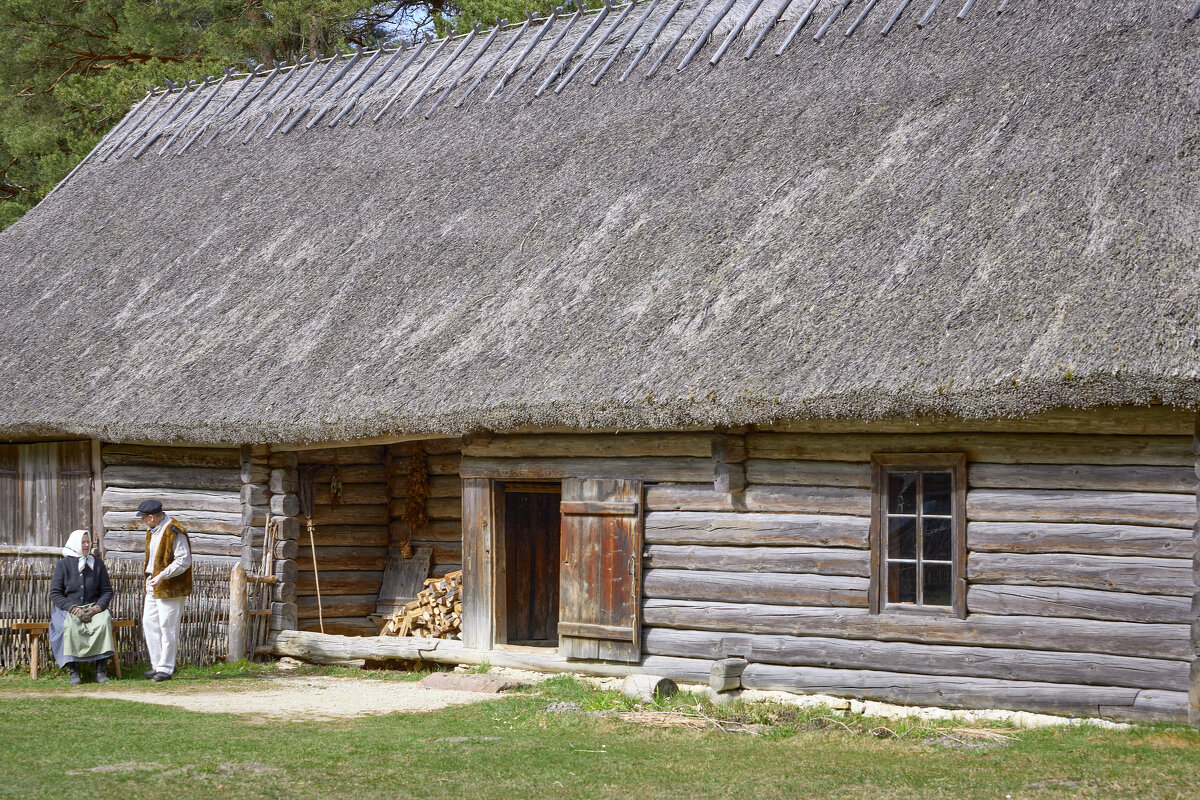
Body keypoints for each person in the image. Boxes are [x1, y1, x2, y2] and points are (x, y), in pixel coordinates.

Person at [49, 529, 115, 685]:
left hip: (94, 607)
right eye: (83, 542)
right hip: (69, 608)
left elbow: (106, 591)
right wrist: (75, 610)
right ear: (75, 544)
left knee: (103, 622)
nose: (86, 545)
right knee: (71, 626)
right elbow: (55, 593)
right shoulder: (63, 565)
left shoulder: (97, 564)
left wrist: (95, 609)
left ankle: (100, 670)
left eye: (87, 542)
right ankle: (74, 671)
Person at [138, 499, 192, 682]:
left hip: (171, 586)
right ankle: (157, 665)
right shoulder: (152, 530)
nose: (143, 521)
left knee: (167, 627)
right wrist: (151, 577)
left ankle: (166, 668)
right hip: (153, 583)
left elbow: (183, 560)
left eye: (144, 518)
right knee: (149, 623)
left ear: (152, 517)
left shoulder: (174, 530)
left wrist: (162, 575)